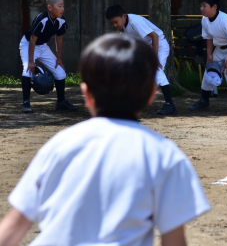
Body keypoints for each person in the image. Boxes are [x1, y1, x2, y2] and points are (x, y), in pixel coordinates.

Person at [0, 34, 210, 246]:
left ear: (86, 95)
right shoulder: (164, 155)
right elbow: (173, 241)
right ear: (151, 95)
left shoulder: (59, 145)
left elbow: (13, 228)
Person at [106, 5, 176, 115]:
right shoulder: (125, 24)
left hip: (159, 46)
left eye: (116, 22)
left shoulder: (135, 22)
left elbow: (155, 37)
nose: (115, 25)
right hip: (147, 48)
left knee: (157, 72)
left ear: (124, 16)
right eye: (112, 23)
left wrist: (154, 57)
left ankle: (169, 104)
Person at [19, 0, 78, 113]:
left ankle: (61, 102)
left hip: (43, 47)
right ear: (49, 7)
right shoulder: (42, 19)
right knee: (27, 70)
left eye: (63, 6)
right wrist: (31, 61)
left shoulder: (61, 21)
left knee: (60, 72)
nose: (62, 9)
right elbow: (32, 39)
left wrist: (59, 58)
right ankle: (26, 103)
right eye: (59, 6)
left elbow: (59, 38)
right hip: (28, 44)